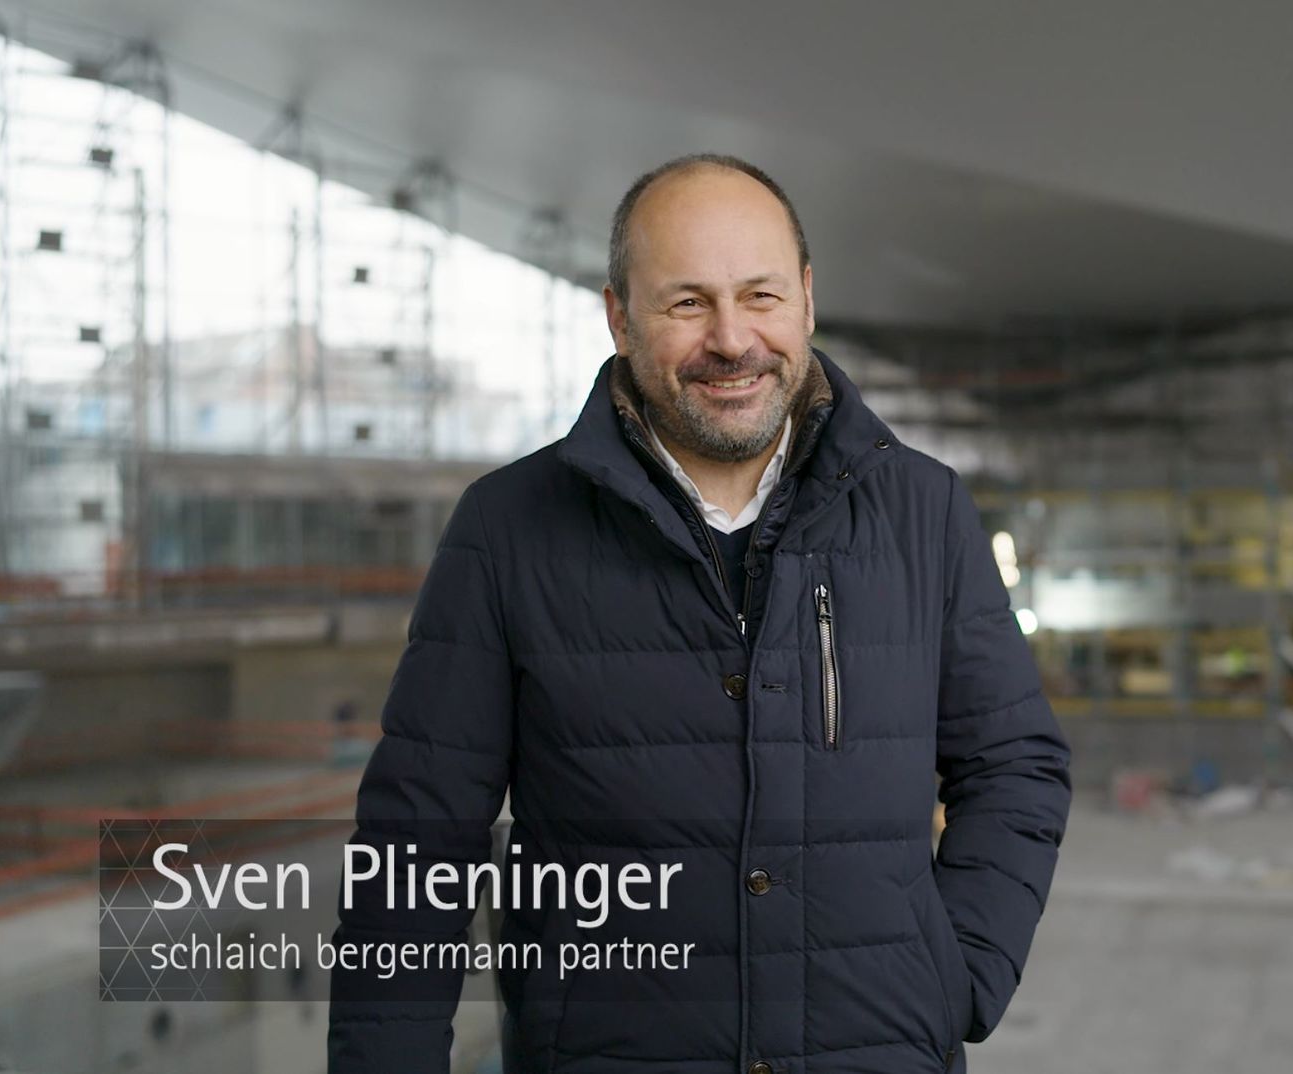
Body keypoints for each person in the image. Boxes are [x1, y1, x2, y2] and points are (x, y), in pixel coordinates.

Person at [327, 153, 1073, 1074]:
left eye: (759, 296)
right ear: (618, 316)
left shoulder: (925, 512)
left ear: (805, 298)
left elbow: (1015, 766)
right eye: (687, 303)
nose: (731, 339)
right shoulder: (508, 531)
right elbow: (418, 840)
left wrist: (959, 975)